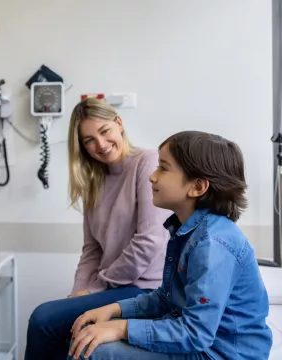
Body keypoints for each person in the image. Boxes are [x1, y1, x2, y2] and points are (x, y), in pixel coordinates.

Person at [68, 130, 273, 360]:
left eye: (163, 168)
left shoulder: (212, 245)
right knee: (89, 334)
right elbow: (167, 298)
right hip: (201, 343)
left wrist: (121, 328)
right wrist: (113, 309)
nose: (152, 177)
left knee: (93, 350)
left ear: (197, 187)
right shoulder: (187, 230)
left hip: (218, 354)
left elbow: (196, 334)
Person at [25, 98, 172, 360]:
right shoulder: (94, 180)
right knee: (67, 330)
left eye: (104, 132)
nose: (100, 145)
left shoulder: (147, 162)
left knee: (43, 319)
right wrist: (76, 295)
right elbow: (91, 251)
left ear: (119, 123)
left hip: (146, 289)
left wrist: (94, 289)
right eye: (89, 140)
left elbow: (149, 241)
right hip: (113, 288)